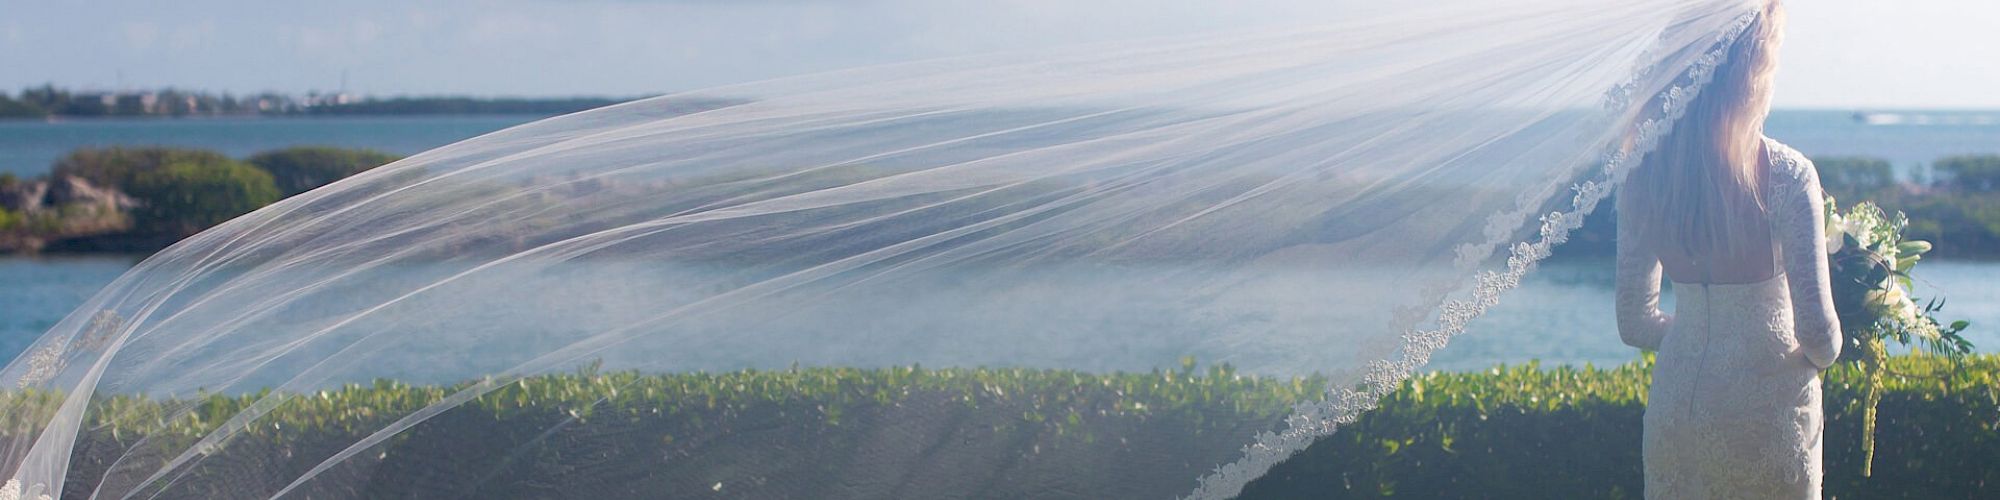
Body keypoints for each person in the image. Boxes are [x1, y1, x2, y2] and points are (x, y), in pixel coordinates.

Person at [1615, 1, 1842, 497]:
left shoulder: (1643, 175)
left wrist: (1700, 332)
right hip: (1767, 410)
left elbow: (1633, 323)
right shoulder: (1789, 174)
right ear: (1753, 70)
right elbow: (1818, 334)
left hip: (1678, 407)